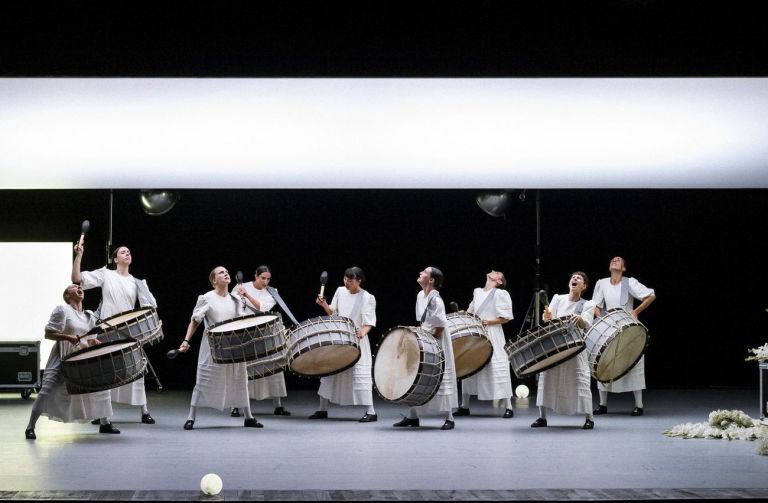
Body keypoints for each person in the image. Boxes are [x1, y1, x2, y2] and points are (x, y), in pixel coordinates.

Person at [72, 244, 157, 425]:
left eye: (129, 251)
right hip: (107, 329)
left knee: (137, 369)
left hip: (129, 330)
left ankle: (144, 411)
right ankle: (102, 415)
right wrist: (79, 256)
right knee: (106, 372)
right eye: (122, 252)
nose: (127, 253)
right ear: (115, 259)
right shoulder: (106, 274)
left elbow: (150, 307)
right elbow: (77, 278)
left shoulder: (138, 282)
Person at [25, 284, 116, 439]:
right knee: (47, 389)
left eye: (80, 287)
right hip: (63, 356)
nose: (79, 288)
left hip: (82, 358)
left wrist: (95, 343)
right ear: (67, 296)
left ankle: (105, 423)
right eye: (74, 287)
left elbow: (90, 338)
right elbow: (48, 333)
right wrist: (68, 337)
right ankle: (30, 426)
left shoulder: (89, 315)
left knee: (101, 387)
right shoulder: (62, 310)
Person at [178, 266, 263, 429]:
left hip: (233, 345)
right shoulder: (207, 298)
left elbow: (241, 321)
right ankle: (191, 417)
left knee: (240, 379)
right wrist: (186, 340)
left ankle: (248, 417)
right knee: (203, 380)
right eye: (221, 273)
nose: (226, 274)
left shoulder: (236, 299)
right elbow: (195, 321)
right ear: (214, 281)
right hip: (213, 345)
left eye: (227, 272)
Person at [393, 266, 458, 430]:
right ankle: (412, 416)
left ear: (431, 280)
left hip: (437, 339)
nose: (420, 273)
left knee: (441, 376)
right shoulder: (420, 295)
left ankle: (449, 417)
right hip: (426, 337)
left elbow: (441, 325)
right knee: (417, 376)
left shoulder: (437, 300)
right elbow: (422, 321)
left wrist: (431, 341)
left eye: (424, 272)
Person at [310, 266, 378, 422]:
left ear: (358, 281)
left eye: (350, 281)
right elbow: (333, 313)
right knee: (329, 372)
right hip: (339, 337)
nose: (347, 283)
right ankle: (322, 409)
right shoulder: (340, 291)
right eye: (345, 279)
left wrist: (362, 332)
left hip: (357, 339)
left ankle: (371, 412)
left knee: (360, 375)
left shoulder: (367, 297)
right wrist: (324, 304)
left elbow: (369, 322)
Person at [591, 256, 656, 416]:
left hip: (629, 327)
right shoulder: (602, 283)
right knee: (604, 361)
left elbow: (651, 295)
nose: (614, 261)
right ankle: (602, 405)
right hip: (609, 328)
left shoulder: (629, 282)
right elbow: (595, 306)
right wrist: (602, 320)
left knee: (634, 362)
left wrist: (635, 311)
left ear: (624, 268)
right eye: (612, 260)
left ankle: (639, 405)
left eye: (618, 260)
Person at [531, 272, 596, 430]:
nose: (574, 279)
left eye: (578, 278)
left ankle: (589, 418)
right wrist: (546, 316)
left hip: (575, 346)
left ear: (584, 286)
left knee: (581, 379)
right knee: (547, 378)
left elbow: (587, 323)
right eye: (572, 277)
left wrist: (580, 319)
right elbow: (548, 318)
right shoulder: (558, 298)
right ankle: (542, 417)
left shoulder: (588, 304)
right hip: (555, 345)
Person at [230, 265, 291, 417]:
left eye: (268, 279)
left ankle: (278, 405)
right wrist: (240, 296)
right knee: (243, 368)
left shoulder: (272, 291)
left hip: (265, 332)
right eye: (262, 278)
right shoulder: (240, 287)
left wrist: (248, 296)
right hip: (244, 332)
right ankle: (235, 406)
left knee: (273, 366)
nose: (265, 281)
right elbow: (233, 307)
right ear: (255, 276)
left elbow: (264, 308)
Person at [455, 270, 515, 419]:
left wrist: (487, 321)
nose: (492, 271)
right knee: (471, 364)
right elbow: (472, 311)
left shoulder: (501, 294)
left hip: (492, 333)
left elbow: (505, 318)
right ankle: (465, 406)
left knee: (497, 364)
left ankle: (508, 406)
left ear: (499, 281)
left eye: (497, 272)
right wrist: (464, 313)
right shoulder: (477, 292)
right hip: (476, 332)